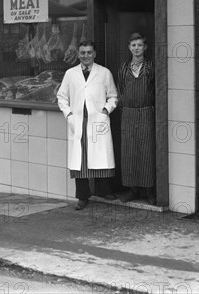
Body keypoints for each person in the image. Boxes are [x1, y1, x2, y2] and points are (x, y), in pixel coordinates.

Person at [57, 41, 118, 210]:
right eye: (82, 53)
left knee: (100, 156)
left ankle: (103, 191)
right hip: (78, 121)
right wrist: (68, 114)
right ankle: (83, 197)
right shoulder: (70, 74)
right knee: (81, 160)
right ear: (78, 55)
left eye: (89, 52)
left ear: (94, 54)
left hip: (97, 119)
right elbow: (61, 97)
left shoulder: (104, 73)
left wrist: (106, 110)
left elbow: (113, 96)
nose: (86, 56)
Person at [117, 32, 156, 205]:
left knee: (146, 151)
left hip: (147, 112)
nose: (136, 48)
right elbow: (121, 89)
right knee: (129, 151)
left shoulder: (151, 67)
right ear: (129, 47)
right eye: (133, 45)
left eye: (139, 45)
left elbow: (156, 90)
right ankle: (132, 190)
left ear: (145, 47)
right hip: (128, 114)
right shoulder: (124, 68)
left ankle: (149, 190)